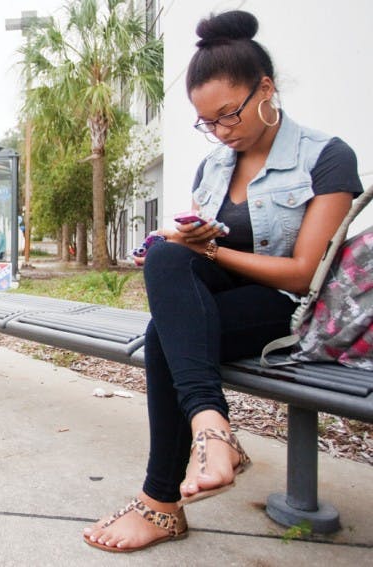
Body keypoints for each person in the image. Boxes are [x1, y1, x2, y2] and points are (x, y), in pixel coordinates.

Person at [83, 10, 363, 553]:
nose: (220, 131)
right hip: (220, 306)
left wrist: (212, 249)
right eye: (207, 122)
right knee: (167, 261)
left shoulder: (325, 157)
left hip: (286, 310)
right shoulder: (213, 166)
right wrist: (184, 245)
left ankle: (164, 500)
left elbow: (306, 274)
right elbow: (195, 258)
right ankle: (212, 430)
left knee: (168, 335)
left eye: (228, 115)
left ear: (266, 88)